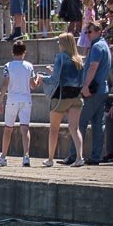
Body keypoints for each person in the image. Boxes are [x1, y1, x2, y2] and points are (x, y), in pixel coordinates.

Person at [0, 40, 41, 167]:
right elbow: (33, 85)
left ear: (12, 52)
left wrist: (0, 100)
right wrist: (38, 80)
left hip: (12, 99)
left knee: (8, 129)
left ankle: (3, 156)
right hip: (26, 100)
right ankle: (26, 156)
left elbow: (5, 84)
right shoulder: (29, 66)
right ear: (24, 52)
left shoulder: (7, 66)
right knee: (25, 128)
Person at [41, 33, 84, 167]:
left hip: (61, 97)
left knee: (54, 129)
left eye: (59, 42)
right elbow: (79, 80)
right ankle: (79, 157)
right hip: (76, 97)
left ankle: (50, 159)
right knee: (75, 128)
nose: (58, 45)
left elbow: (55, 80)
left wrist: (43, 78)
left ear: (63, 44)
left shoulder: (60, 57)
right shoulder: (79, 59)